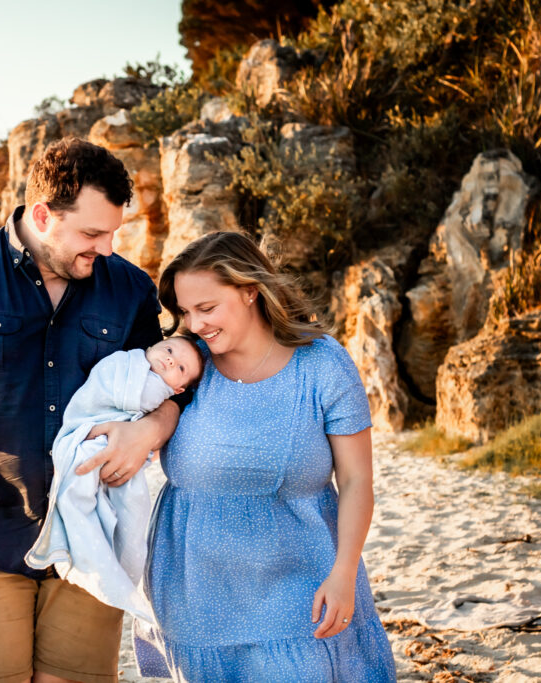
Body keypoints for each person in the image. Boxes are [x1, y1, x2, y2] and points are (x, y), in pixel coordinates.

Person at [0, 137, 182, 683]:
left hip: (92, 533)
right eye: (92, 234)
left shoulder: (131, 290)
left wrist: (149, 434)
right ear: (42, 214)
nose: (107, 248)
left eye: (113, 232)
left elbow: (166, 389)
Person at [135, 231, 396, 682]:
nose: (195, 324)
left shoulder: (322, 364)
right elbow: (126, 410)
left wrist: (344, 572)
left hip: (301, 583)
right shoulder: (184, 365)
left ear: (251, 290)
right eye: (185, 311)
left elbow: (356, 481)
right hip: (194, 592)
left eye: (207, 308)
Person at [26, 336, 203, 621]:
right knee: (80, 482)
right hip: (87, 433)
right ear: (151, 348)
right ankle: (82, 545)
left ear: (178, 389)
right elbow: (117, 392)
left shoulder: (163, 392)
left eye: (180, 367)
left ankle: (118, 569)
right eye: (169, 350)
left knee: (133, 506)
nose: (171, 360)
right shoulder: (123, 364)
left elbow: (148, 405)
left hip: (118, 446)